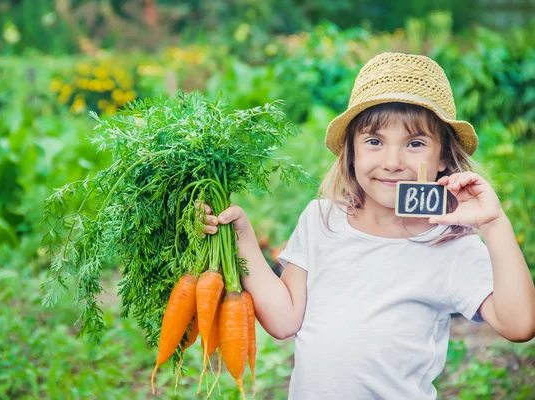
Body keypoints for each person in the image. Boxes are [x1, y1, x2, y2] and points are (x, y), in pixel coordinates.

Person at [198, 52, 535, 399]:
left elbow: (519, 324)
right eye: (374, 142)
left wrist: (494, 224)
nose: (392, 162)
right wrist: (244, 239)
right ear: (352, 151)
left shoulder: (450, 245)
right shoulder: (321, 220)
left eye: (415, 144)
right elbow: (284, 321)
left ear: (444, 158)